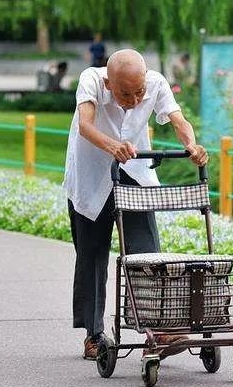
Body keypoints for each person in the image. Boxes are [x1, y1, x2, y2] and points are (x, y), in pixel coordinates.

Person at [64, 48, 208, 360]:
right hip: (91, 175)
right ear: (108, 84)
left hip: (135, 171)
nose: (132, 100)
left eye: (138, 92)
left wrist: (191, 145)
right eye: (124, 94)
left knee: (146, 252)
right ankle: (93, 333)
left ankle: (157, 330)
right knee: (92, 254)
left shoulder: (155, 83)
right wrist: (112, 145)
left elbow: (177, 119)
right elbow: (85, 125)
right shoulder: (91, 80)